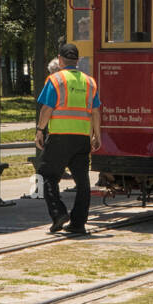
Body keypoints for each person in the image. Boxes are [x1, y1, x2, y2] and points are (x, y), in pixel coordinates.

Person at [35, 42, 100, 235]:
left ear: (60, 60)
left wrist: (40, 130)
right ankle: (78, 223)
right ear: (77, 61)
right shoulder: (90, 82)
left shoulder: (55, 80)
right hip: (82, 138)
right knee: (82, 182)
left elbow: (47, 108)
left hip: (60, 137)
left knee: (46, 175)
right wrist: (97, 135)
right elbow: (95, 111)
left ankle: (59, 213)